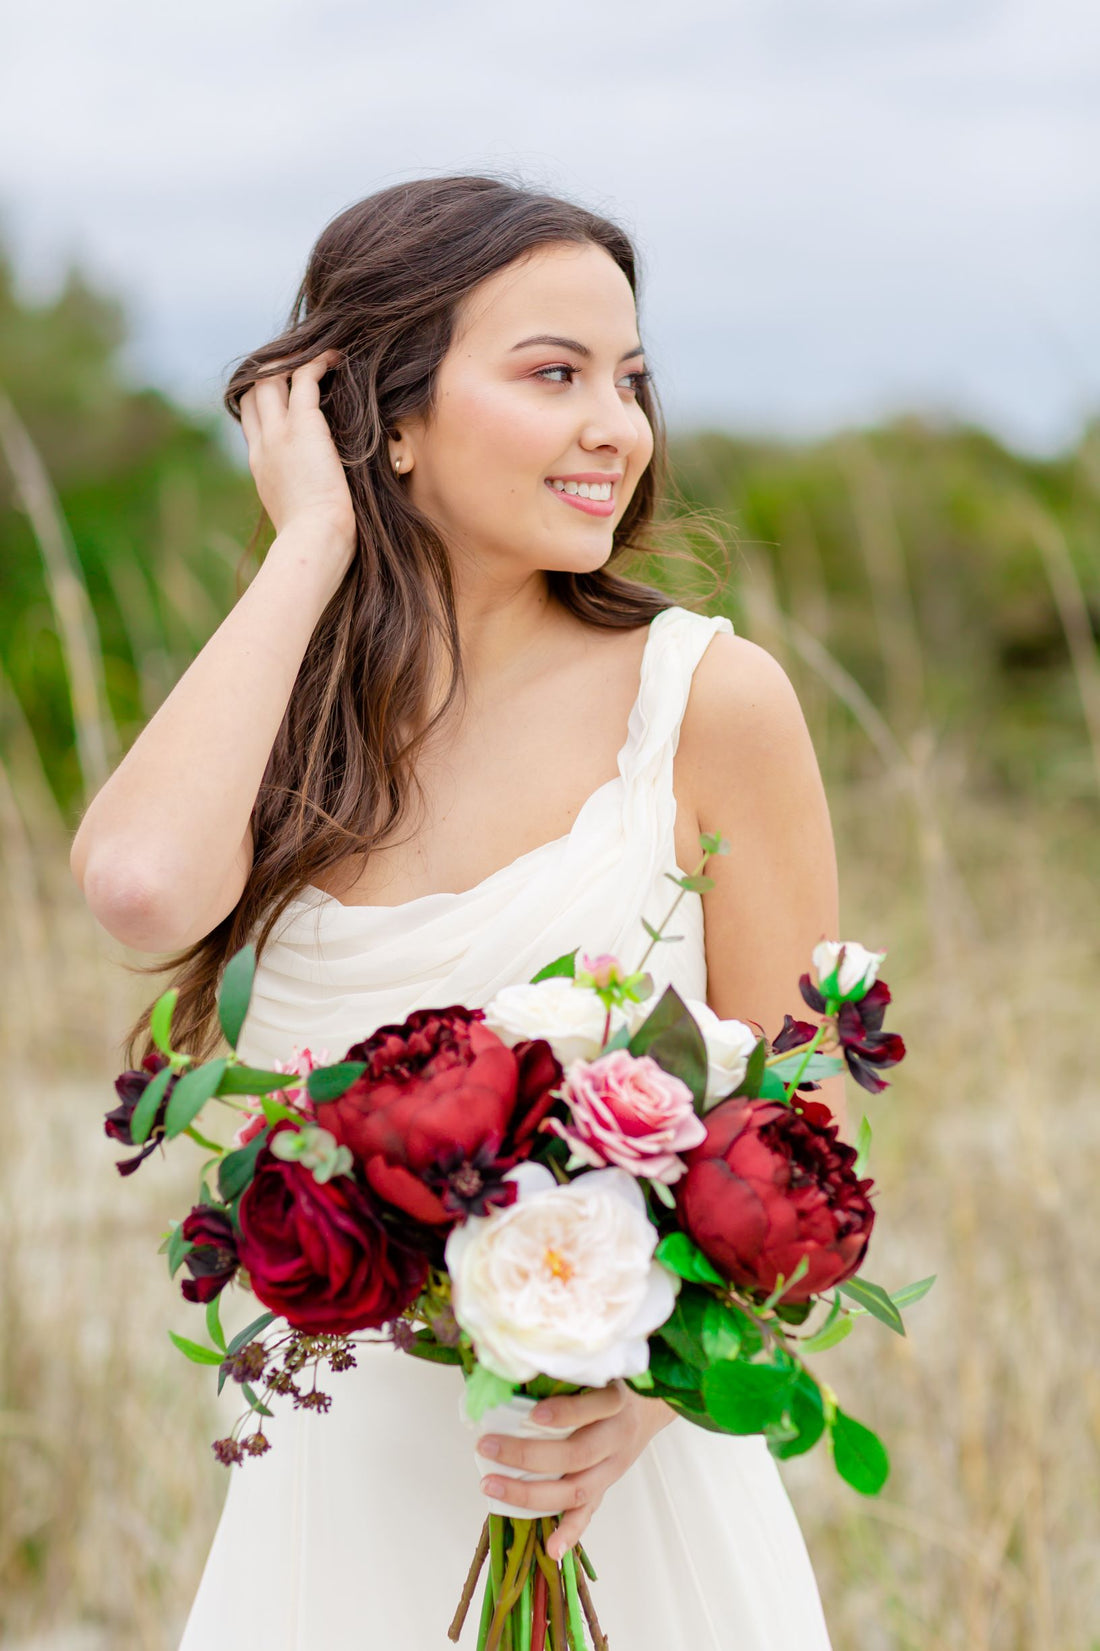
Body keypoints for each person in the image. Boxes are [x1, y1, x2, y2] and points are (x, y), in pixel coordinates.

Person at [71, 173, 842, 1649]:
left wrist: (648, 1399)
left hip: (616, 1499)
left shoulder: (709, 702)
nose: (616, 425)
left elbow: (803, 1156)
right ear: (393, 422)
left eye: (630, 380)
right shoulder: (280, 721)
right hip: (330, 1492)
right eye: (553, 374)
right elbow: (139, 888)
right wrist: (309, 543)